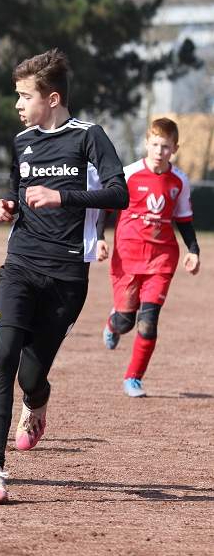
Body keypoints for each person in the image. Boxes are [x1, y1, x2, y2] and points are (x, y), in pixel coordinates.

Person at [0, 49, 128, 505]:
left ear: (54, 97)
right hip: (21, 263)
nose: (18, 105)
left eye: (25, 96)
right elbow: (15, 190)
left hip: (67, 276)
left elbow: (119, 193)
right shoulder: (22, 141)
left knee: (30, 375)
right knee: (4, 354)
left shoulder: (90, 137)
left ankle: (36, 401)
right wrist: (4, 205)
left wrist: (62, 198)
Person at [96, 118, 200, 397]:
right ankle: (113, 323)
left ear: (174, 148)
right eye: (154, 144)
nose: (159, 151)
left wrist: (193, 250)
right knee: (126, 321)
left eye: (165, 146)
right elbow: (106, 208)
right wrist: (101, 239)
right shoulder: (128, 174)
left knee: (148, 321)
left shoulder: (179, 180)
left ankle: (134, 378)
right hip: (127, 257)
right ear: (146, 143)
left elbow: (184, 220)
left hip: (162, 259)